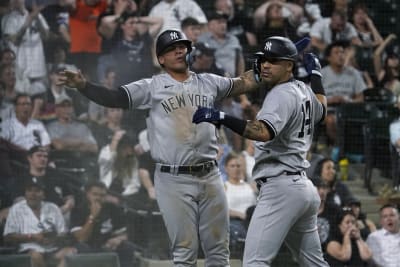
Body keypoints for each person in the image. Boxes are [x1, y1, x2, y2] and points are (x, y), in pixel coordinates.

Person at [57, 28, 265, 266]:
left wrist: (262, 68)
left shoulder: (208, 81)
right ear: (161, 58)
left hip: (209, 175)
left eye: (182, 46)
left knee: (219, 251)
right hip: (173, 178)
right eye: (171, 48)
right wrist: (85, 86)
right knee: (185, 252)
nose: (178, 50)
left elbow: (243, 83)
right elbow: (114, 98)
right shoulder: (152, 86)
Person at [192, 36, 329, 266]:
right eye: (263, 60)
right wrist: (316, 76)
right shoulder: (302, 89)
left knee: (255, 262)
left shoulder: (280, 94)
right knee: (314, 264)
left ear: (289, 65)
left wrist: (222, 116)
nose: (265, 65)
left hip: (280, 188)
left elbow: (263, 131)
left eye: (273, 61)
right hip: (303, 190)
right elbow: (322, 110)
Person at [3, 176, 76, 267]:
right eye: (29, 190)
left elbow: (64, 234)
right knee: (36, 256)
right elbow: (8, 237)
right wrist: (33, 237)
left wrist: (54, 238)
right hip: (29, 249)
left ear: (44, 194)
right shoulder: (16, 209)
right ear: (25, 193)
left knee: (71, 252)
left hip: (52, 249)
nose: (33, 194)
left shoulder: (53, 208)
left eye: (37, 191)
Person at [69, 180, 135, 267]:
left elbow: (124, 234)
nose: (98, 198)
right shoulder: (78, 210)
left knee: (127, 246)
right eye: (95, 194)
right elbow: (81, 238)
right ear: (87, 194)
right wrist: (92, 216)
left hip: (106, 245)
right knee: (83, 248)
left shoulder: (112, 208)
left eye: (102, 195)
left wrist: (118, 239)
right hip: (87, 246)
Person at [311, 177, 340, 253]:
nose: (322, 191)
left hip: (330, 252)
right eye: (318, 188)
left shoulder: (335, 210)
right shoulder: (303, 211)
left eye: (324, 188)